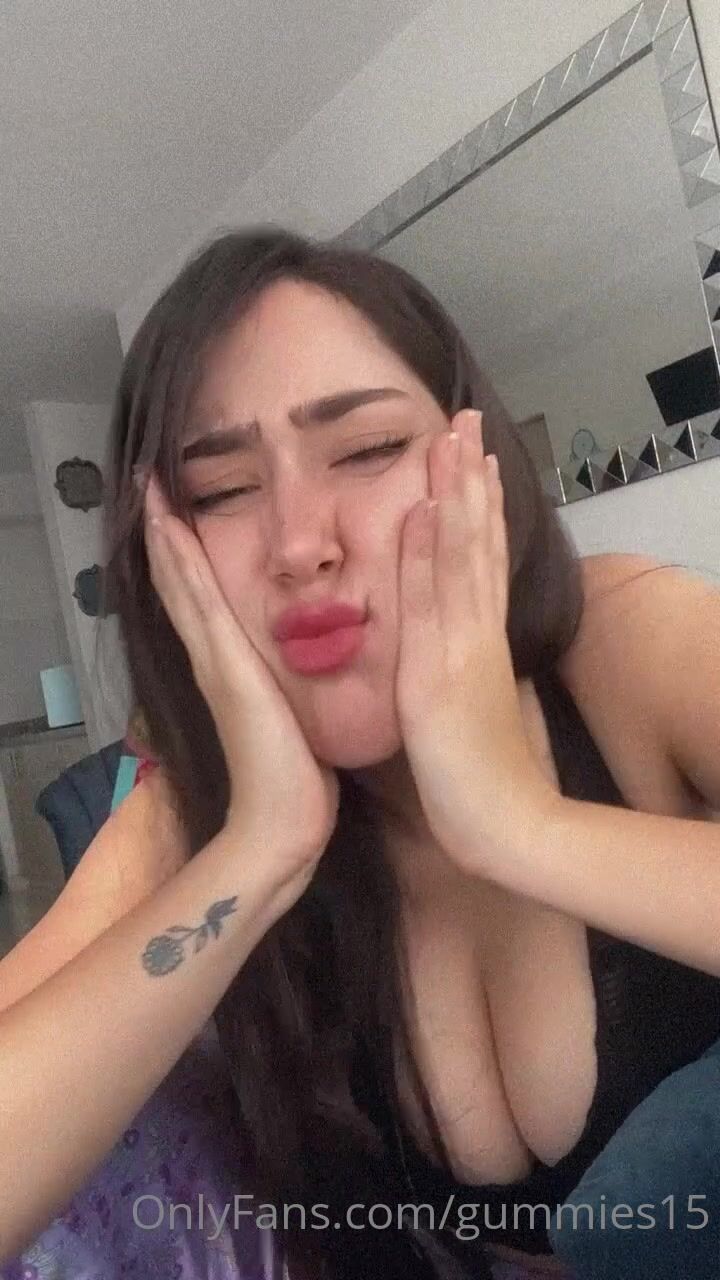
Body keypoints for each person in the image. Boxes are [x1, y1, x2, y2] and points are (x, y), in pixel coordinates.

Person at [1, 226, 719, 1280]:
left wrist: (517, 822)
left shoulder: (623, 639)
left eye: (369, 448)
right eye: (221, 490)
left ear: (477, 459)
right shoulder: (190, 813)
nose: (300, 543)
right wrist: (261, 847)